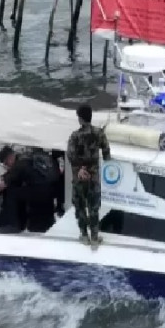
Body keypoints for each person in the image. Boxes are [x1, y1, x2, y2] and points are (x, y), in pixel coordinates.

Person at [0, 146, 59, 233]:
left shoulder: (19, 164)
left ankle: (11, 225)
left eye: (6, 163)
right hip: (51, 192)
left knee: (12, 191)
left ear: (10, 158)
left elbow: (4, 184)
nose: (6, 166)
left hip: (38, 193)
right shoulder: (32, 158)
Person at [67, 104, 112, 246]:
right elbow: (107, 155)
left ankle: (84, 235)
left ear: (80, 119)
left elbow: (71, 156)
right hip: (93, 177)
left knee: (80, 206)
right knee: (93, 207)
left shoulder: (74, 136)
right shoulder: (100, 133)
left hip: (79, 177)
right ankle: (94, 237)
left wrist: (80, 168)